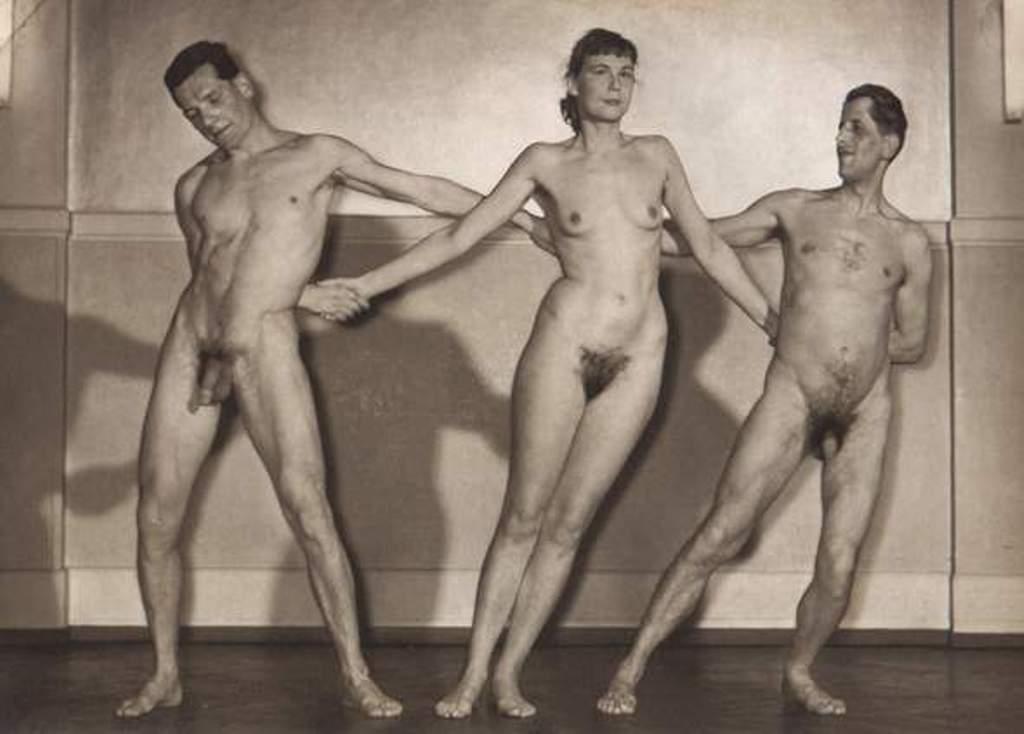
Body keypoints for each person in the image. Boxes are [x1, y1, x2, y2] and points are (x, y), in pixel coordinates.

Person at [323, 28, 776, 719]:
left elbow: (708, 245)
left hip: (640, 355)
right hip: (565, 344)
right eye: (601, 71)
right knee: (524, 516)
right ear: (574, 83)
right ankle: (472, 675)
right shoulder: (544, 162)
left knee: (568, 526)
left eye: (626, 73)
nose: (615, 84)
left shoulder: (656, 156)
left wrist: (770, 317)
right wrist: (367, 284)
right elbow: (460, 233)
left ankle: (509, 674)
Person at [116, 40, 542, 720]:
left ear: (244, 85)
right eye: (192, 113)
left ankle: (355, 673)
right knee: (156, 514)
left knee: (308, 510)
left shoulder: (317, 155)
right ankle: (165, 672)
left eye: (213, 99)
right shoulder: (194, 186)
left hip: (268, 344)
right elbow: (211, 274)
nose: (206, 118)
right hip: (194, 342)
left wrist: (523, 217)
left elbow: (422, 189)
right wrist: (218, 356)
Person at [597, 84, 932, 718]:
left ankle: (799, 671)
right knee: (720, 533)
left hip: (865, 413)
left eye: (857, 129)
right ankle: (630, 666)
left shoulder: (910, 243)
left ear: (889, 145)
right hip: (792, 395)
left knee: (840, 562)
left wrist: (850, 354)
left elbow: (912, 341)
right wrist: (612, 224)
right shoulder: (795, 209)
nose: (842, 138)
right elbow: (698, 238)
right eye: (841, 125)